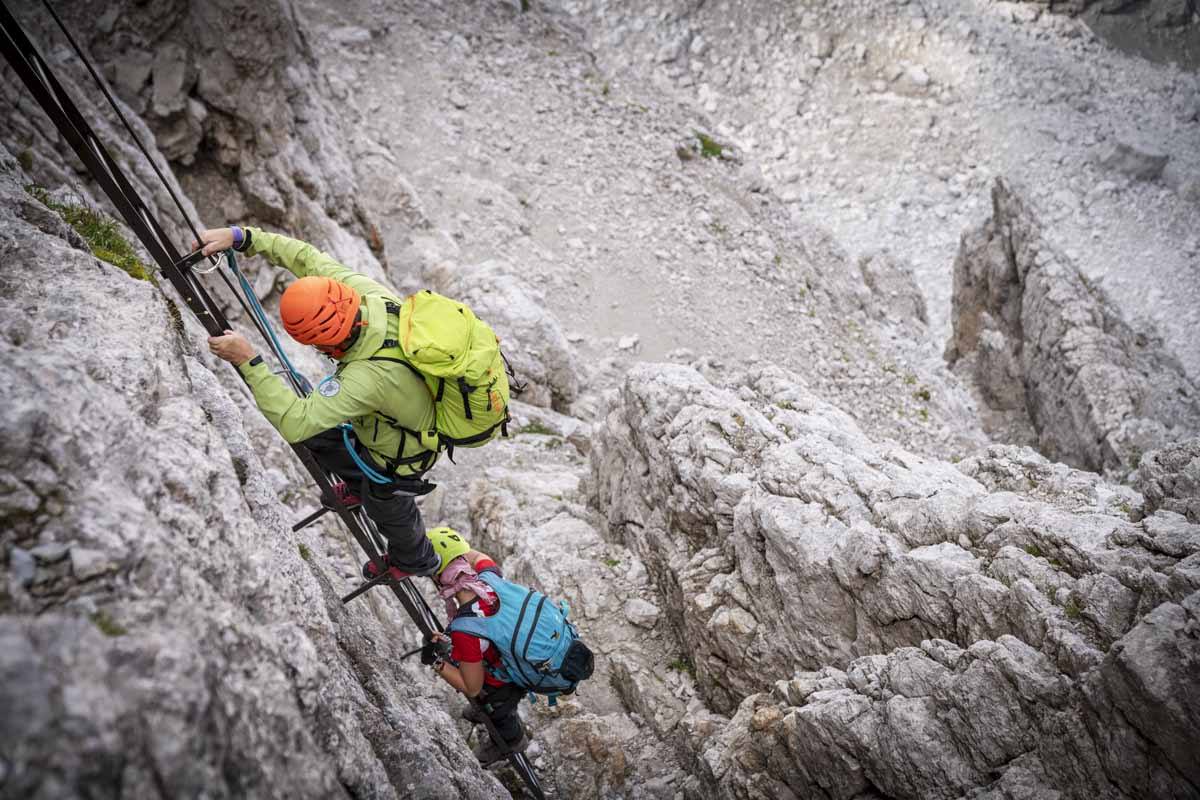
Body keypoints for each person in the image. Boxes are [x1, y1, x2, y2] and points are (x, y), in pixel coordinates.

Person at [200, 225, 440, 578]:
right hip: (391, 421)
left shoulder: (365, 378)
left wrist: (248, 360)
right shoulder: (368, 298)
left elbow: (294, 422)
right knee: (323, 434)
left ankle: (416, 559)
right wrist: (243, 237)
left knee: (387, 502)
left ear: (326, 345)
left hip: (402, 455)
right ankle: (359, 484)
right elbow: (308, 258)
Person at [419, 527, 530, 764]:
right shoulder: (490, 575)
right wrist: (455, 550)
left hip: (502, 680)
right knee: (461, 655)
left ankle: (511, 737)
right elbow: (476, 556)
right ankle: (496, 709)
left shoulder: (465, 630)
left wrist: (435, 662)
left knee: (490, 700)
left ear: (442, 577)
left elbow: (471, 688)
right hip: (512, 654)